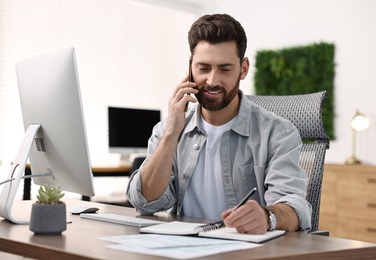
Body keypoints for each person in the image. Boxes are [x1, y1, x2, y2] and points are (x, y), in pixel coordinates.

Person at [126, 13, 311, 234]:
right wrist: (170, 134)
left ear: (243, 69)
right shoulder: (168, 129)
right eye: (203, 68)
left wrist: (268, 216)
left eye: (225, 69)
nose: (212, 81)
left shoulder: (278, 133)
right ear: (190, 68)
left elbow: (295, 207)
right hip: (182, 249)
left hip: (246, 251)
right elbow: (145, 203)